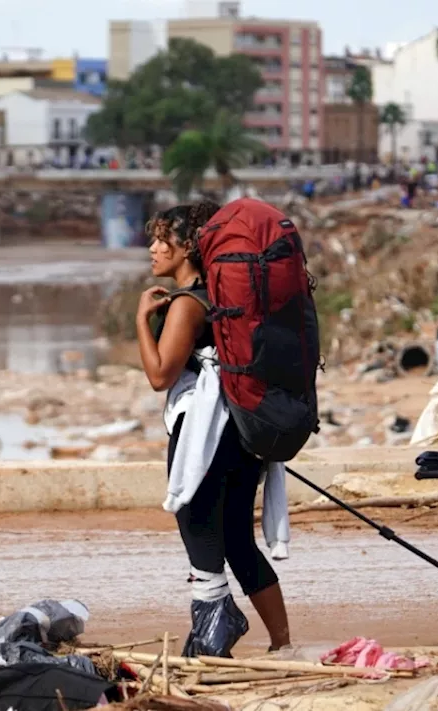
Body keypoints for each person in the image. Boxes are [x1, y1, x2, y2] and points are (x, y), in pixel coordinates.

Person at [134, 202, 293, 654]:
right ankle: (282, 643)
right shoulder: (220, 296)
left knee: (199, 528)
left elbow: (160, 374)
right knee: (238, 539)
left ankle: (214, 631)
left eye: (162, 239)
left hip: (204, 430)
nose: (152, 248)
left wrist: (141, 321)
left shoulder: (188, 303)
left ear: (187, 247)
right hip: (240, 427)